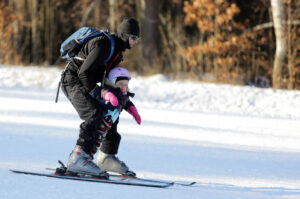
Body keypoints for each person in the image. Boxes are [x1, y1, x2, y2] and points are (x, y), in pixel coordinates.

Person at [60, 18, 140, 178]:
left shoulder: (117, 52)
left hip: (85, 82)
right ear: (124, 35)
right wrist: (100, 93)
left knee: (111, 112)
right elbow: (84, 72)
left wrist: (123, 102)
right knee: (93, 113)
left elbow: (107, 80)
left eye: (137, 39)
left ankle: (106, 157)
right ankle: (78, 158)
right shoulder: (103, 44)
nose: (136, 42)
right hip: (72, 81)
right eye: (134, 38)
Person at [89, 66, 141, 177]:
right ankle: (83, 160)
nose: (123, 87)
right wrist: (110, 97)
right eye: (120, 84)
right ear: (112, 83)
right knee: (94, 140)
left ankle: (105, 160)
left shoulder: (123, 95)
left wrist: (134, 112)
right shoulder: (108, 90)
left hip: (110, 123)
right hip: (100, 122)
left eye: (125, 85)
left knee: (114, 137)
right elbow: (103, 94)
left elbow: (127, 103)